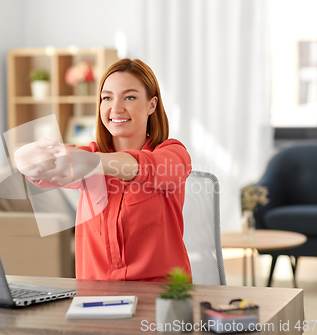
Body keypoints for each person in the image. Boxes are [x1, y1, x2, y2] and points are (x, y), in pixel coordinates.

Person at [14, 59, 192, 282]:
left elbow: (148, 168)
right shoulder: (88, 154)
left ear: (152, 105)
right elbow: (44, 172)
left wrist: (94, 163)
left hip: (161, 298)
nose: (116, 108)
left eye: (129, 97)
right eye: (107, 97)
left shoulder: (173, 154)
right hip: (95, 298)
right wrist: (26, 159)